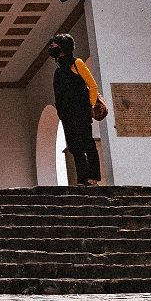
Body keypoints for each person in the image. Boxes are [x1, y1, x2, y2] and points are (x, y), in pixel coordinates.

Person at [48, 33, 103, 186]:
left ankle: (93, 177)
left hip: (81, 110)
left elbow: (92, 85)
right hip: (66, 114)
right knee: (74, 146)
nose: (52, 48)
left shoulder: (77, 63)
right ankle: (82, 178)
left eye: (55, 45)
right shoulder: (58, 70)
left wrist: (91, 105)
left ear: (64, 47)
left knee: (87, 142)